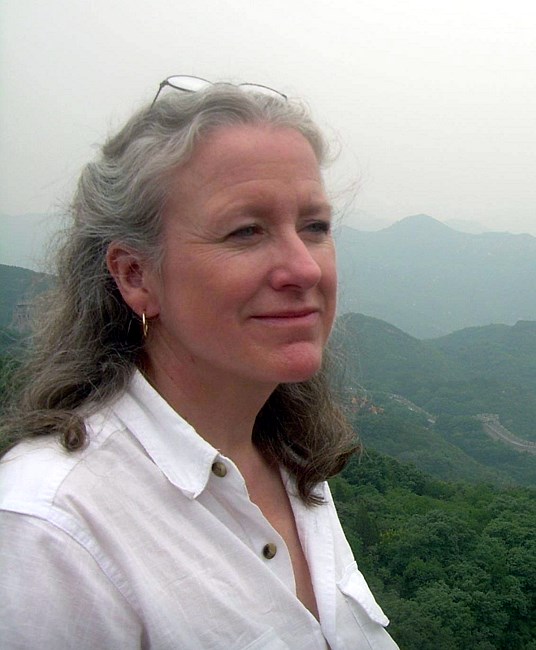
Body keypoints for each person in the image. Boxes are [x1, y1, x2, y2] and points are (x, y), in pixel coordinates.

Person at [0, 76, 398, 649]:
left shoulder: (286, 461)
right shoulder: (53, 529)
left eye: (314, 227)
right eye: (246, 231)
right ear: (136, 276)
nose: (305, 269)